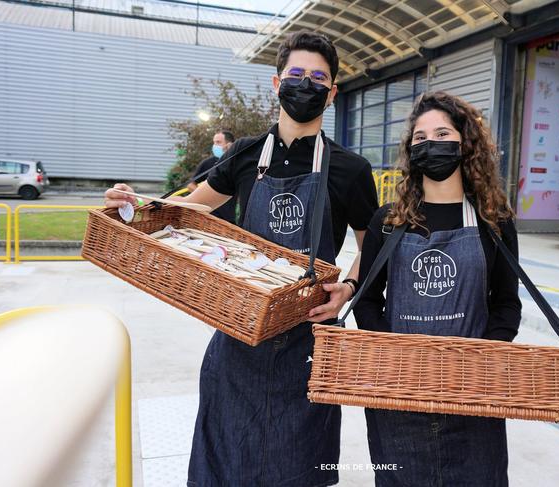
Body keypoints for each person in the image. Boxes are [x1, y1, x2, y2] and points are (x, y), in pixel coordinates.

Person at [104, 31, 378, 486]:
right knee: (225, 460)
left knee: (299, 465)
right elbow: (190, 206)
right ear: (276, 84)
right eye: (295, 75)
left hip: (310, 340)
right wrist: (135, 204)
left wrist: (347, 290)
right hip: (240, 335)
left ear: (331, 93)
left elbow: (374, 244)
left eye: (317, 78)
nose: (304, 84)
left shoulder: (351, 169)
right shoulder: (246, 154)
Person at [353, 91, 522, 486]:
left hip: (473, 393)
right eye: (420, 137)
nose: (430, 143)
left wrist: (480, 360)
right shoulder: (388, 222)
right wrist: (392, 360)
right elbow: (367, 300)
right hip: (398, 394)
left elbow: (507, 304)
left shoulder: (493, 221)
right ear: (411, 151)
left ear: (465, 144)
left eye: (442, 133)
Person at [187, 130, 238, 223]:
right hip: (207, 217)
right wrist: (206, 195)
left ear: (229, 145)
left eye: (218, 142)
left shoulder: (237, 164)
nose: (215, 146)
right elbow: (190, 185)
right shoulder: (208, 163)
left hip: (227, 219)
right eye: (214, 142)